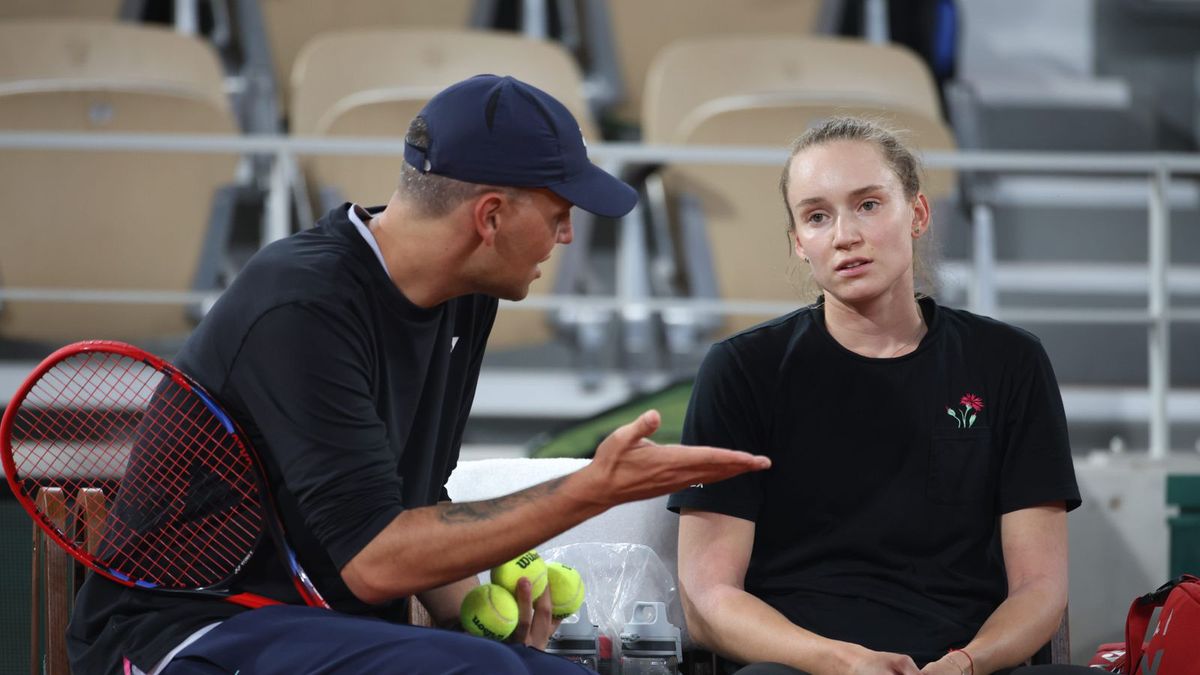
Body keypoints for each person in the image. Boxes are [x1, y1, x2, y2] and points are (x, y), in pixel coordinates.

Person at [66, 74, 771, 675]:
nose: (567, 236)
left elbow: (416, 496)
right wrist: (590, 489)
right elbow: (377, 560)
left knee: (544, 665)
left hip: (311, 626)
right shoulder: (299, 304)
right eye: (559, 214)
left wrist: (467, 608)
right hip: (180, 633)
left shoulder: (467, 293)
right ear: (490, 216)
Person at [667, 117, 1090, 675]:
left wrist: (965, 664)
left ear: (916, 213)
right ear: (799, 242)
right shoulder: (742, 369)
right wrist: (838, 662)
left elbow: (1039, 588)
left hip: (968, 663)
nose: (845, 235)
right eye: (817, 216)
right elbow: (708, 601)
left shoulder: (1009, 361)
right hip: (801, 665)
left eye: (868, 204)